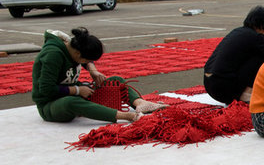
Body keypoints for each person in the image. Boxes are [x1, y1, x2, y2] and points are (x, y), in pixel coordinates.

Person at [32, 28, 165, 124]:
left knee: (115, 81)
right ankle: (129, 116)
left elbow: (86, 61)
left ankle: (140, 103)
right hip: (50, 105)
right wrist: (77, 90)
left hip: (73, 93)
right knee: (72, 102)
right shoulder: (53, 55)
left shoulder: (72, 46)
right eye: (86, 60)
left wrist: (93, 70)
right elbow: (46, 89)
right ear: (78, 54)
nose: (86, 63)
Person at [203, 6, 264, 104]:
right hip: (225, 89)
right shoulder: (258, 38)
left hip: (209, 84)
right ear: (263, 25)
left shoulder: (237, 31)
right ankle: (246, 94)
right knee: (262, 59)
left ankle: (242, 92)